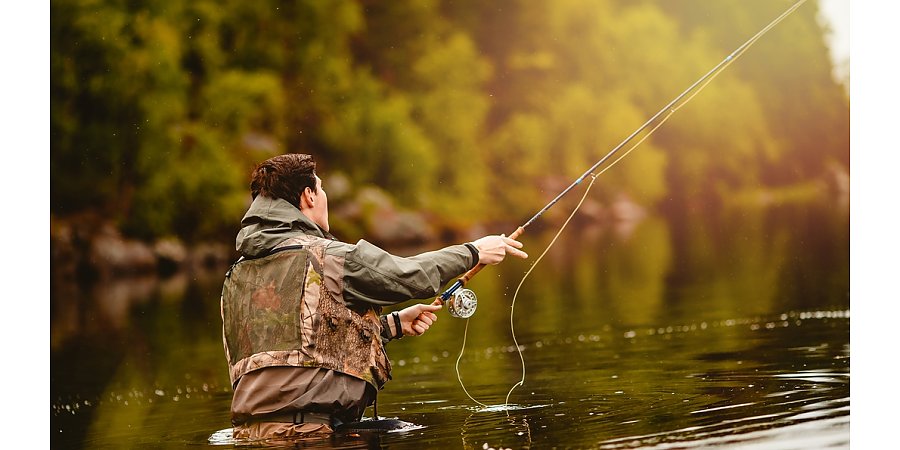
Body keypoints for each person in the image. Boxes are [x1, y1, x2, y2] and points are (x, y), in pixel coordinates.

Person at [220, 153, 527, 440]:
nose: (324, 197)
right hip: (311, 434)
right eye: (321, 188)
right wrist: (473, 252)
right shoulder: (329, 258)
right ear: (308, 196)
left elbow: (300, 341)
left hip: (250, 436)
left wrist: (390, 326)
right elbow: (409, 276)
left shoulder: (235, 277)